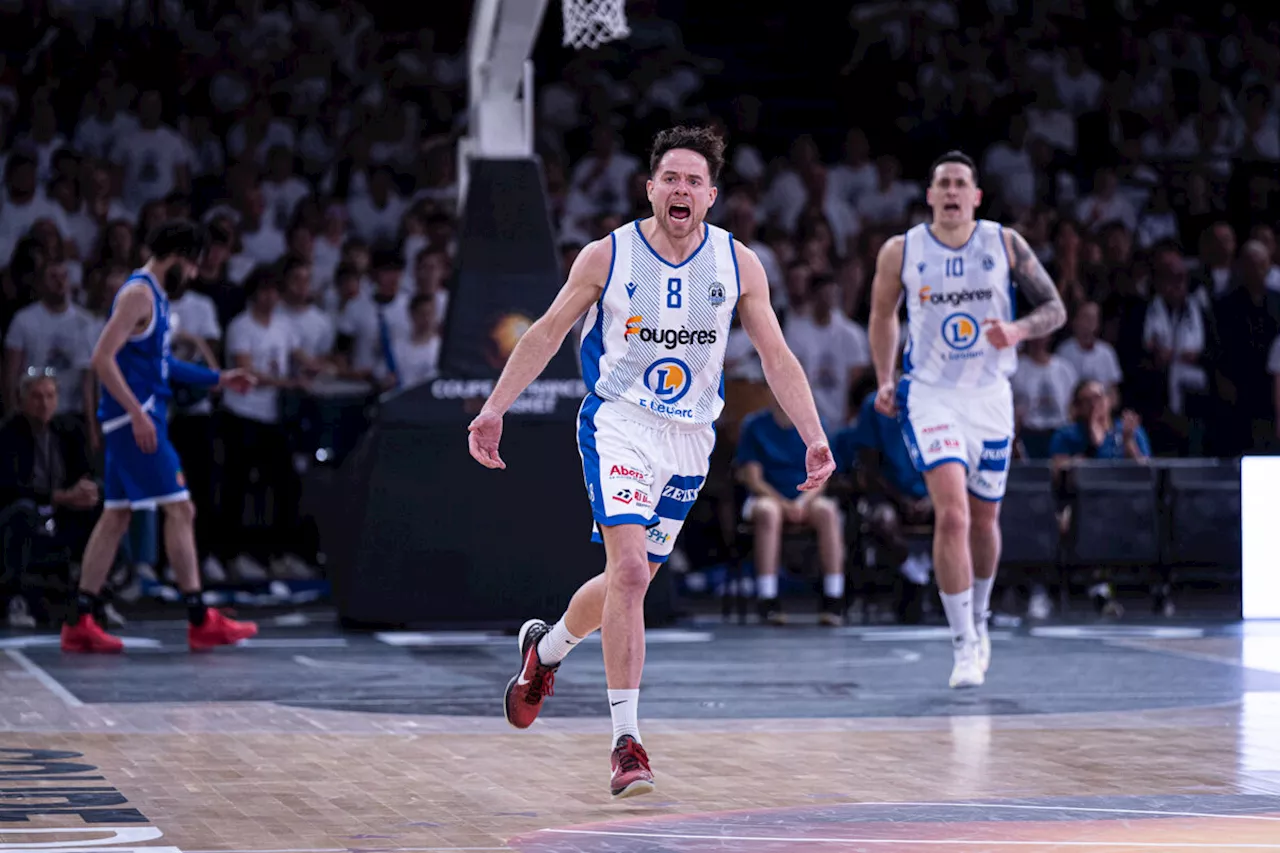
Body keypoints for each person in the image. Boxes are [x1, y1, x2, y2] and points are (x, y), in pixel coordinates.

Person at [467, 126, 835, 798]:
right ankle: (626, 742)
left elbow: (776, 356)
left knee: (621, 585)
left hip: (690, 438)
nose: (681, 189)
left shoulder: (738, 263)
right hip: (619, 425)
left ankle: (544, 652)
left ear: (712, 196)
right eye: (671, 178)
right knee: (632, 571)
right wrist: (496, 407)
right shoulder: (607, 257)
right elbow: (547, 330)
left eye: (694, 181)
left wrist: (813, 432)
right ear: (650, 188)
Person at [867, 150, 1066, 689]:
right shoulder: (901, 250)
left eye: (961, 183)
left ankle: (979, 618)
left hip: (990, 397)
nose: (952, 191)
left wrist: (1019, 331)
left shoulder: (1003, 243)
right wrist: (886, 378)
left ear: (976, 196)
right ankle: (960, 643)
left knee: (984, 520)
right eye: (943, 183)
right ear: (930, 195)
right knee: (951, 514)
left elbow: (1055, 307)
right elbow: (883, 315)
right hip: (931, 394)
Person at [61, 221, 261, 654]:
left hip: (136, 417)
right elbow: (101, 359)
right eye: (191, 265)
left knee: (116, 517)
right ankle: (198, 617)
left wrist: (219, 378)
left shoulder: (155, 298)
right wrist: (136, 413)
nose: (192, 275)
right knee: (182, 509)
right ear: (176, 257)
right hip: (137, 421)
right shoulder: (138, 295)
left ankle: (80, 619)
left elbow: (162, 364)